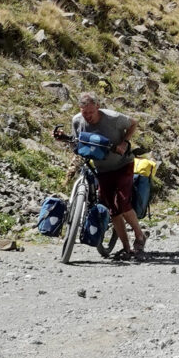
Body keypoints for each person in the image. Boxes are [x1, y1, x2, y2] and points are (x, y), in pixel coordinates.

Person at [56, 92, 144, 259]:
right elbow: (77, 142)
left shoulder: (113, 118)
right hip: (101, 169)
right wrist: (63, 139)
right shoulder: (77, 121)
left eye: (90, 112)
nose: (87, 116)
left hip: (122, 165)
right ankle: (126, 248)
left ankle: (140, 236)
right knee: (113, 210)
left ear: (97, 107)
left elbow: (133, 124)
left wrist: (124, 142)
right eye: (84, 112)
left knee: (121, 202)